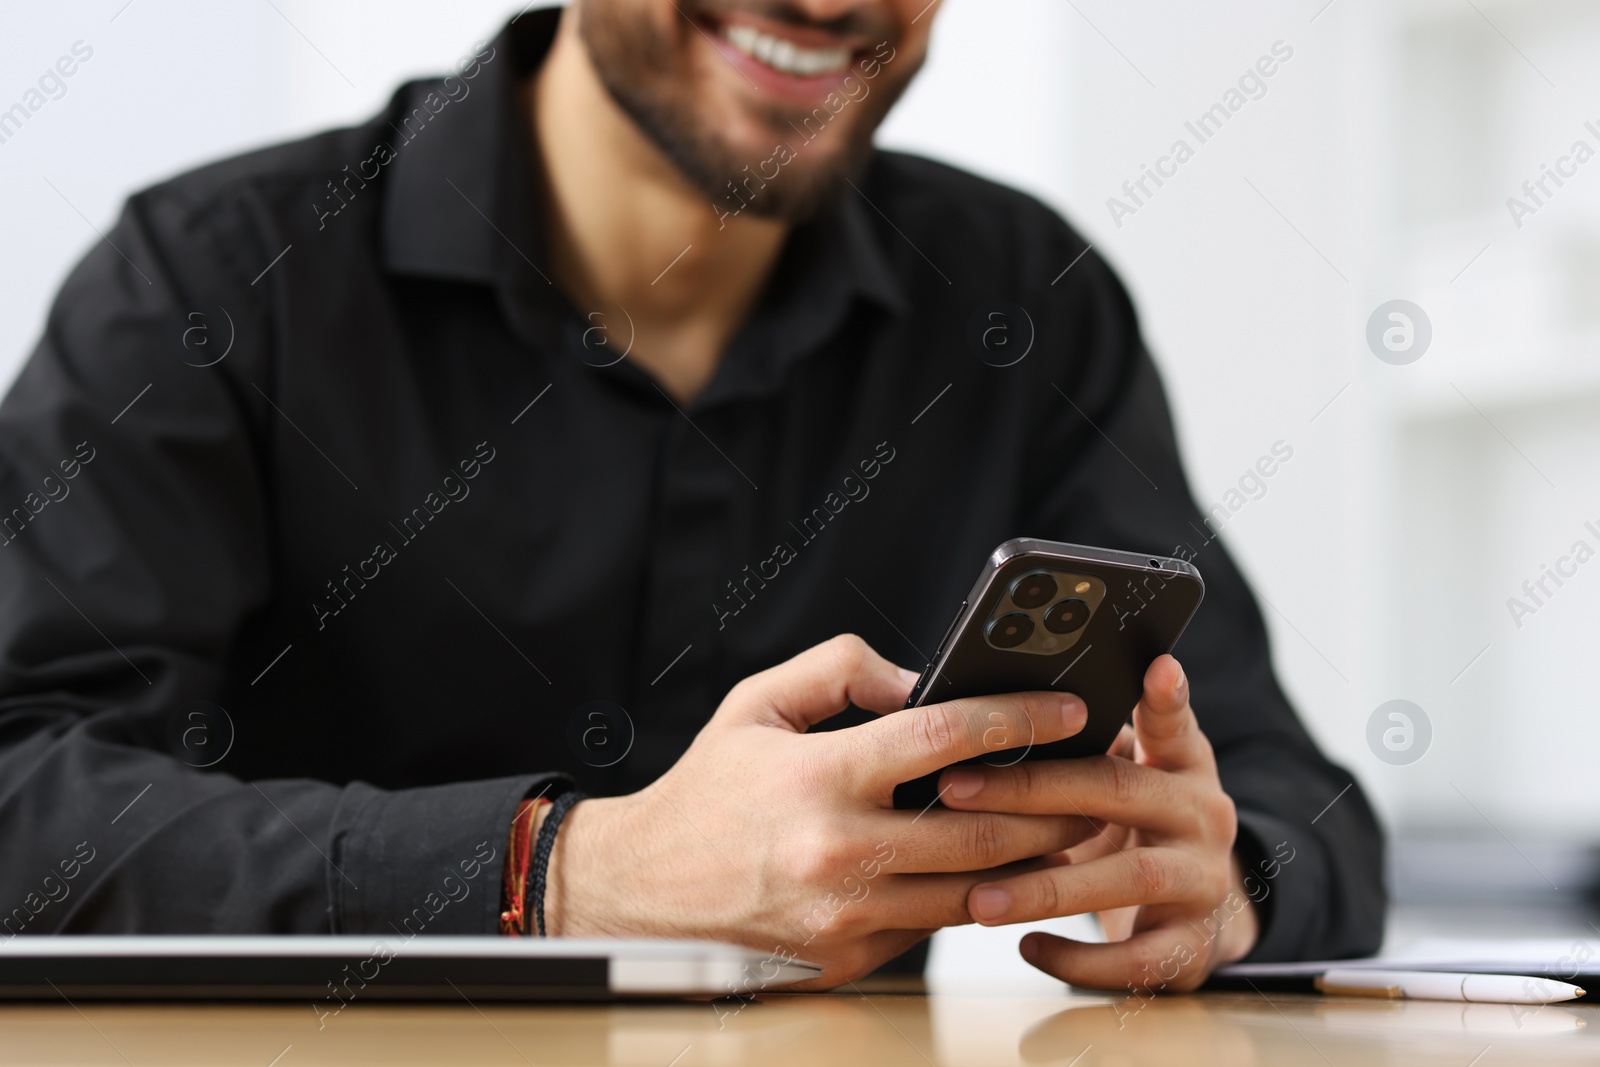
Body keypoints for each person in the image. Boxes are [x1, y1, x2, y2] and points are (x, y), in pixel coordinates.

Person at [0, 2, 1383, 991]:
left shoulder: (1023, 301)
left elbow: (1298, 806)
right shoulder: (208, 285)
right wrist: (555, 873)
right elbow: (22, 790)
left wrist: (1224, 890)